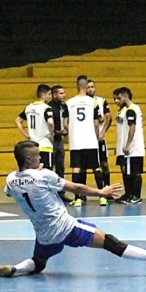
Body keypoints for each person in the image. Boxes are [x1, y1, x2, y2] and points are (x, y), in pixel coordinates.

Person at [0, 141, 146, 277]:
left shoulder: (10, 180)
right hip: (65, 227)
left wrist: (32, 175)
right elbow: (76, 188)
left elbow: (11, 191)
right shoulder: (44, 176)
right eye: (38, 155)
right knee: (109, 242)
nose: (41, 158)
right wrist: (101, 192)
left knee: (39, 263)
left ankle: (15, 270)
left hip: (44, 234)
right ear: (29, 158)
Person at [66, 75, 105, 206]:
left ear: (76, 86)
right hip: (90, 140)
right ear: (85, 86)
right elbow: (96, 122)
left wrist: (72, 130)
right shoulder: (92, 102)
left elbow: (65, 123)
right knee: (96, 167)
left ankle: (77, 198)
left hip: (76, 140)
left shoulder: (69, 102)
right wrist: (96, 136)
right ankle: (102, 196)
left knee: (77, 169)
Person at [113, 87, 145, 204]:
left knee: (134, 172)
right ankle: (128, 194)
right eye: (114, 99)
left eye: (118, 98)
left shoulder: (132, 110)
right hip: (123, 148)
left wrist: (128, 145)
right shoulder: (124, 110)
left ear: (125, 97)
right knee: (125, 171)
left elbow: (132, 127)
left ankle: (136, 196)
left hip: (133, 148)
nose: (116, 101)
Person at [15, 84, 55, 169]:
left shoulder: (29, 108)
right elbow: (50, 122)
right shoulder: (46, 108)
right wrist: (51, 135)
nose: (50, 97)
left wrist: (26, 135)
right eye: (49, 94)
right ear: (43, 95)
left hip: (33, 147)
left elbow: (18, 121)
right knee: (47, 174)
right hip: (45, 145)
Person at [86, 79, 112, 188]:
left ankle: (107, 188)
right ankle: (82, 194)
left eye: (92, 87)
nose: (91, 89)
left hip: (100, 139)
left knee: (104, 164)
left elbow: (109, 117)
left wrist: (103, 131)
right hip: (87, 139)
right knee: (87, 166)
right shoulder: (82, 102)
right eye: (88, 87)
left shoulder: (101, 101)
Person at [49, 85, 70, 201]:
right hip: (51, 140)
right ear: (54, 95)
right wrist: (57, 132)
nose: (64, 95)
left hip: (60, 140)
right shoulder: (50, 107)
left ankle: (61, 193)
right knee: (50, 167)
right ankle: (50, 193)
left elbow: (66, 120)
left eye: (64, 93)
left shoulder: (64, 107)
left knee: (60, 167)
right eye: (61, 93)